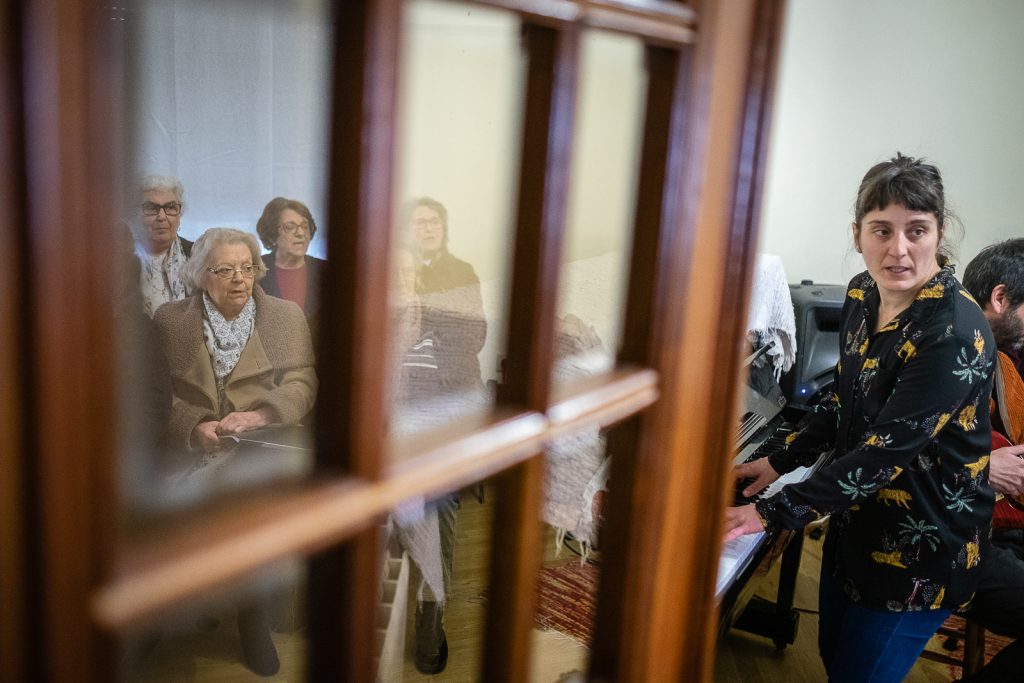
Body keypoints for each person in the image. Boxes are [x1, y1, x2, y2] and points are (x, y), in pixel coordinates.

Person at [725, 153, 997, 682]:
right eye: (882, 230)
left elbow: (885, 452)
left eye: (916, 230)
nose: (899, 249)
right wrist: (779, 461)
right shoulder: (860, 293)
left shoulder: (953, 330)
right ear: (858, 234)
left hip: (921, 548)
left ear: (939, 232)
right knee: (836, 660)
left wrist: (771, 513)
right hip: (858, 524)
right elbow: (846, 398)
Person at [153, 227, 317, 677]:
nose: (239, 279)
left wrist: (261, 415)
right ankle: (177, 610)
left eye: (247, 268)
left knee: (249, 511)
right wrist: (193, 428)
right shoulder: (170, 321)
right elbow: (154, 396)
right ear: (201, 275)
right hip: (193, 451)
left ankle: (251, 619)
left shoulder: (285, 316)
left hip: (262, 447)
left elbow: (303, 383)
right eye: (224, 270)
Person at [960, 238, 1024, 682]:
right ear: (999, 298)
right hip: (955, 538)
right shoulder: (941, 356)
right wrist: (986, 468)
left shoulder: (1006, 367)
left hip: (1005, 527)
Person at [406, 196, 487, 390]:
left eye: (435, 222)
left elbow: (475, 331)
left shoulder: (463, 272)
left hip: (459, 377)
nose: (429, 229)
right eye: (421, 223)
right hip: (413, 379)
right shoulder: (399, 270)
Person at [255, 197, 325, 332]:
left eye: (305, 226)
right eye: (290, 227)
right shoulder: (254, 271)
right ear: (272, 234)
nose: (301, 233)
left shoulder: (327, 271)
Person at [134, 174, 193, 317]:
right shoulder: (119, 258)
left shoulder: (198, 255)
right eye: (151, 208)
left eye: (171, 207)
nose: (161, 216)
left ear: (180, 214)